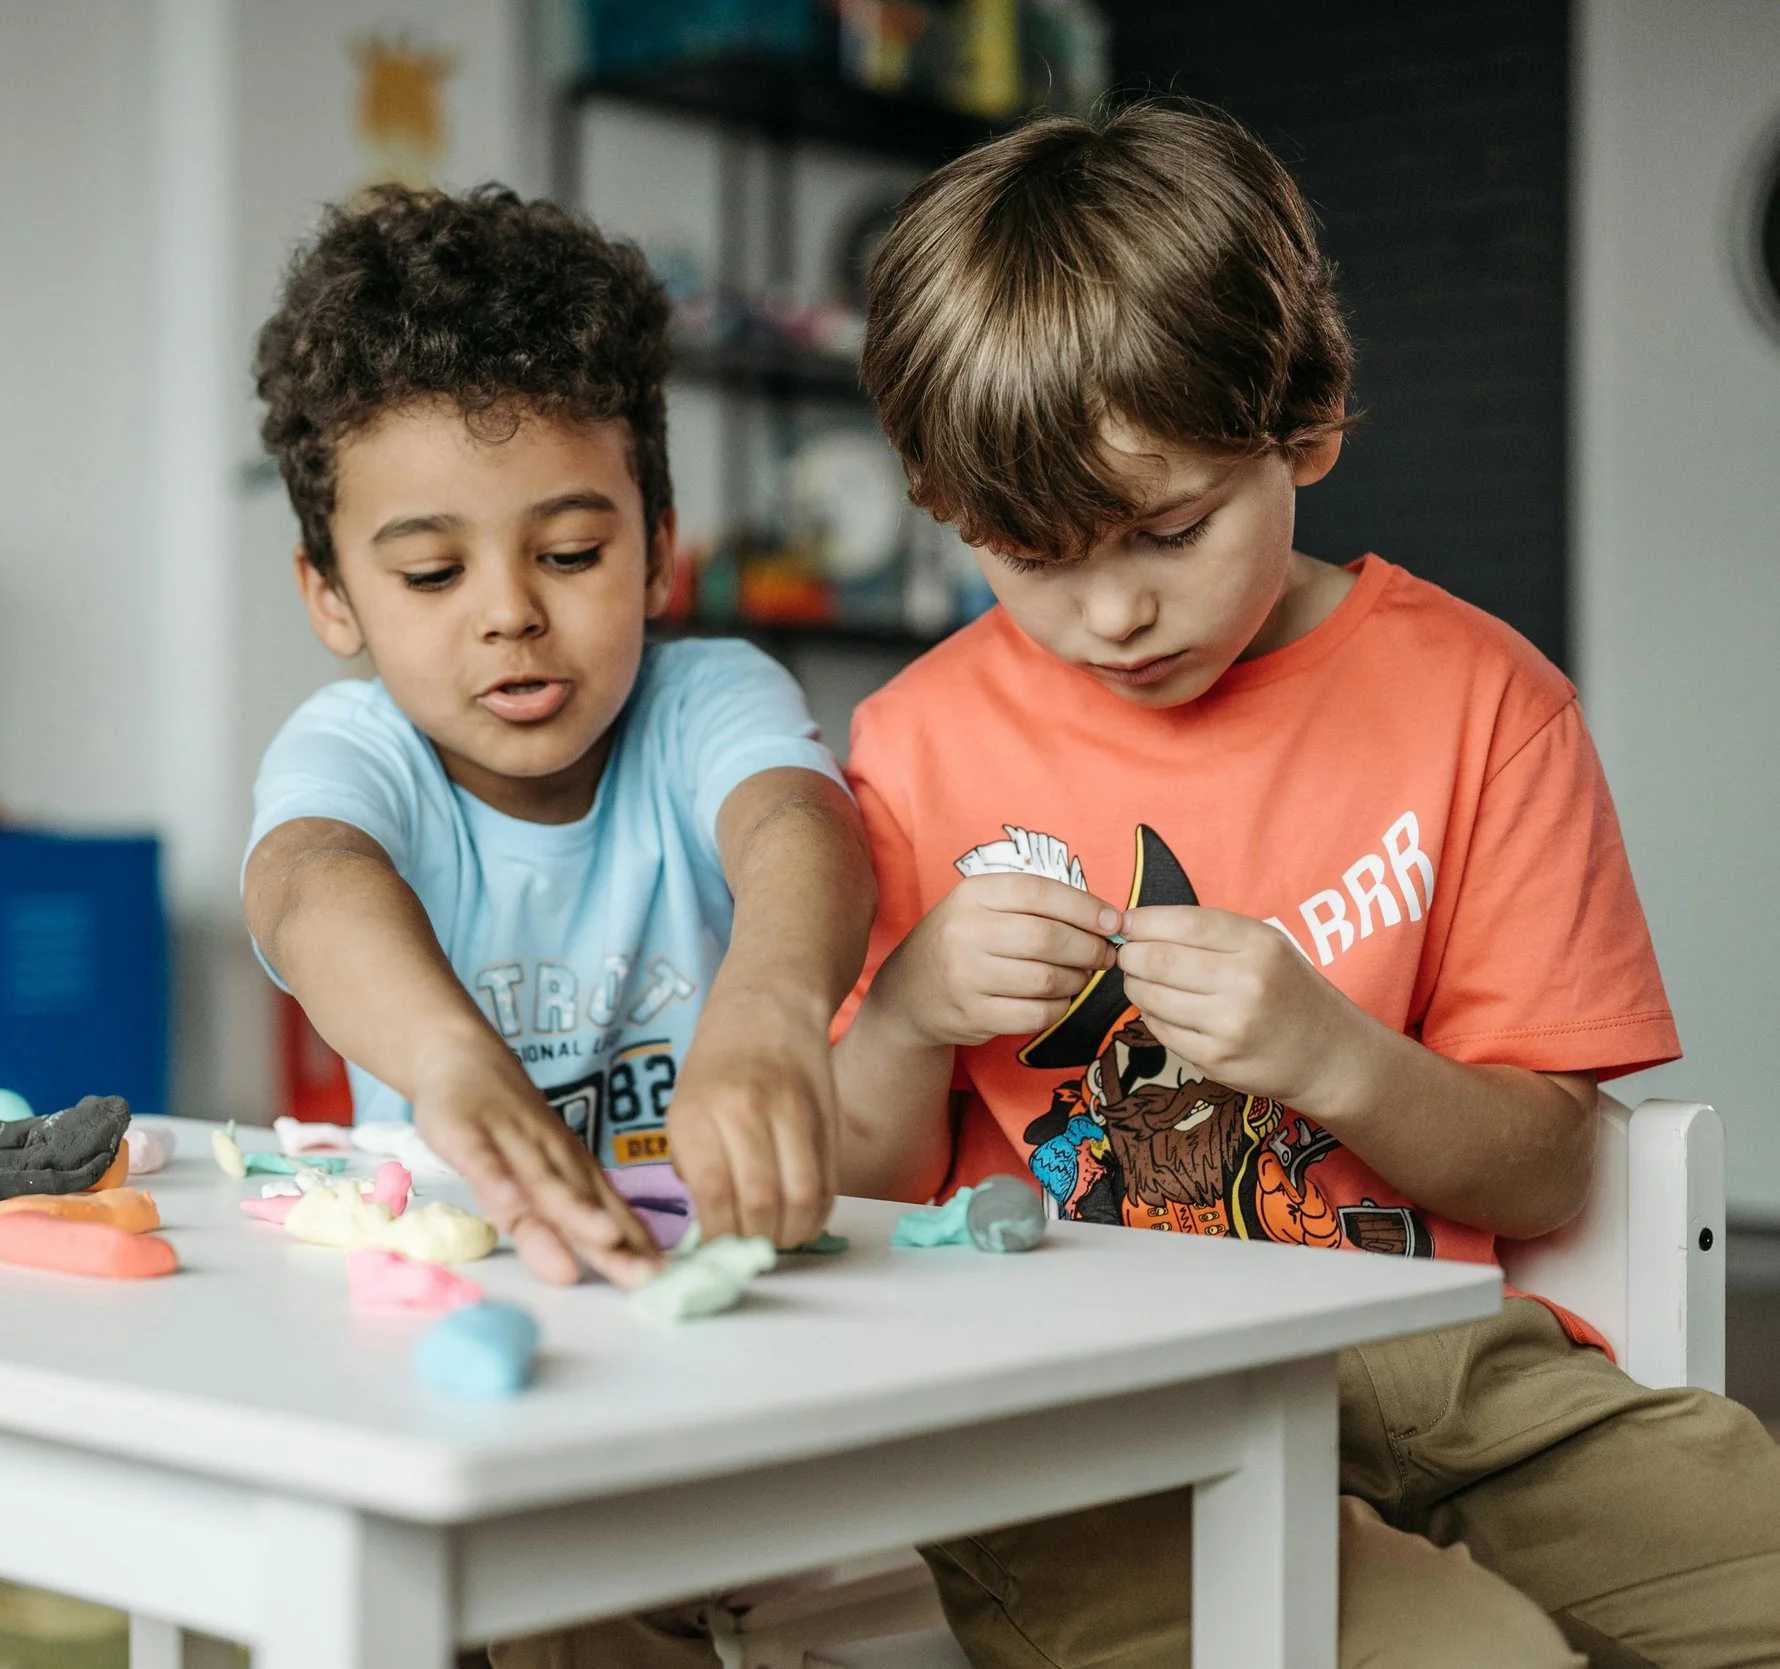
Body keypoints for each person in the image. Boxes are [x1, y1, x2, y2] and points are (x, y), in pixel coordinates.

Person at [831, 100, 1780, 1667]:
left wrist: (1334, 1053)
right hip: (1079, 1400)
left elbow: (1548, 1173)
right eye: (1031, 555)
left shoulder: (1484, 702)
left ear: (1307, 427)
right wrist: (914, 1007)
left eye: (1169, 529)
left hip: (1437, 1355)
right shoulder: (916, 739)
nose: (1114, 612)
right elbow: (859, 1182)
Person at [243, 184, 874, 1304]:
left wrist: (773, 1005)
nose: (509, 613)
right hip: (457, 1282)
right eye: (433, 573)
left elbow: (798, 819)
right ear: (331, 595)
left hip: (730, 1282)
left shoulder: (705, 699)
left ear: (654, 551)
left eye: (572, 552)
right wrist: (449, 1063)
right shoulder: (354, 746)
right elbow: (308, 885)